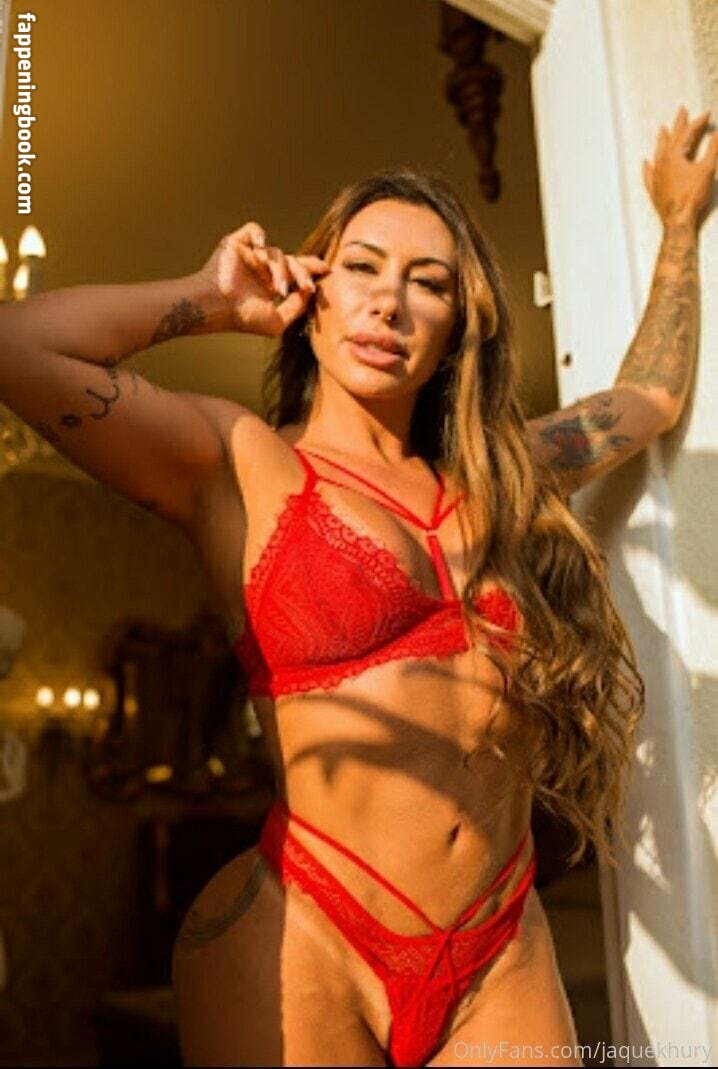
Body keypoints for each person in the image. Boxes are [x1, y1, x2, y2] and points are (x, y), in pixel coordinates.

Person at [1, 106, 715, 1067]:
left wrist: (679, 226)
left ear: (459, 326)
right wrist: (211, 299)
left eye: (429, 283)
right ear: (315, 292)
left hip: (499, 936)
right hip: (314, 931)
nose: (389, 303)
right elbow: (18, 346)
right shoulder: (239, 463)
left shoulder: (506, 476)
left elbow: (651, 399)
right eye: (363, 268)